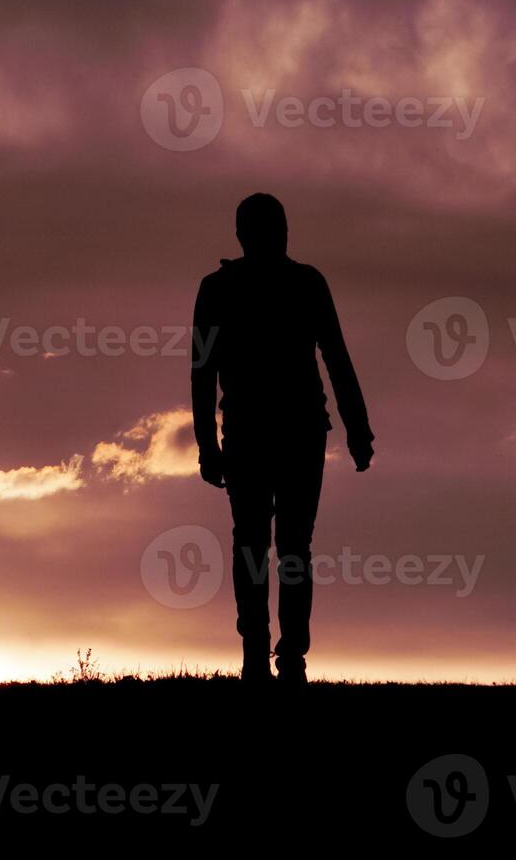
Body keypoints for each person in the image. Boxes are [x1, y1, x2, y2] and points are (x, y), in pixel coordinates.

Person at [191, 193, 374, 684]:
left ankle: (279, 656)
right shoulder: (286, 285)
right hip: (278, 431)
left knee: (274, 544)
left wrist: (358, 429)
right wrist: (206, 443)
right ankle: (271, 656)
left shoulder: (248, 287)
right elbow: (202, 371)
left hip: (279, 431)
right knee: (279, 545)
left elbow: (335, 355)